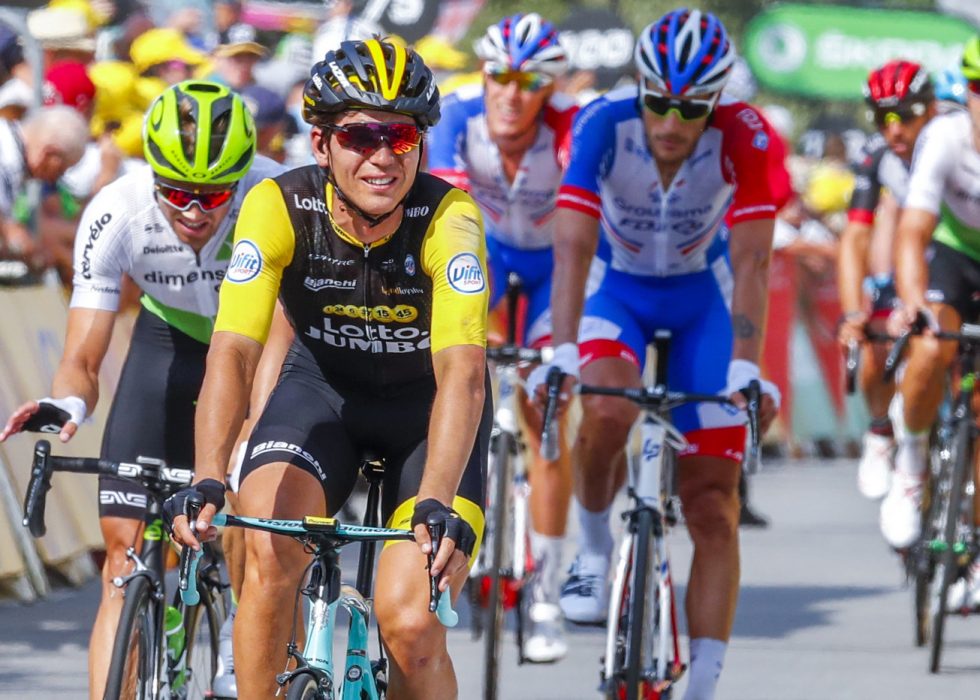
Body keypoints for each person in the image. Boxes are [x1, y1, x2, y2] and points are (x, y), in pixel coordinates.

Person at [165, 39, 491, 699]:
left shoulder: (449, 217)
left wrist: (434, 496)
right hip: (322, 400)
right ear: (320, 144)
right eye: (360, 136)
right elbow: (233, 348)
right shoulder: (279, 206)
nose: (381, 156)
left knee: (408, 619)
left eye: (400, 137)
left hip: (425, 417)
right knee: (269, 548)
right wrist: (206, 474)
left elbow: (463, 372)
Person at [0, 80, 283, 700]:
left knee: (247, 503)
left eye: (213, 194)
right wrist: (67, 401)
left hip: (265, 349)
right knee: (122, 556)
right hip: (171, 344)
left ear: (242, 174)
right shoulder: (116, 209)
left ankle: (243, 624)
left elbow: (291, 345)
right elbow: (82, 354)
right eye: (177, 191)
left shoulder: (279, 196)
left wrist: (245, 436)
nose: (194, 211)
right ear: (152, 174)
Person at [529, 11, 780, 700]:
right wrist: (560, 347)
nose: (671, 121)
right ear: (640, 88)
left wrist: (748, 364)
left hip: (705, 299)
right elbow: (573, 244)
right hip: (621, 291)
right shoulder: (602, 124)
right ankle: (593, 547)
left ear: (717, 99)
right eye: (658, 101)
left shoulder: (747, 135)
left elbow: (756, 258)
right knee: (606, 407)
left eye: (692, 106)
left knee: (711, 503)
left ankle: (701, 684)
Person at [426, 11, 576, 663]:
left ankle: (545, 584)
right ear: (483, 74)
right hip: (486, 258)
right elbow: (454, 230)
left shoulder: (572, 128)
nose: (511, 92)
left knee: (547, 408)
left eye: (528, 80)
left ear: (549, 87)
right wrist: (476, 337)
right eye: (500, 76)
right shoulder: (456, 117)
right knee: (466, 387)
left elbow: (580, 240)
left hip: (553, 268)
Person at [887, 38, 980, 590]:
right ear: (969, 91)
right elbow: (913, 229)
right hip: (953, 257)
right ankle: (912, 461)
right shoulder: (946, 137)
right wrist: (913, 301)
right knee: (930, 346)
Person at [837, 60, 936, 500]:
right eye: (882, 118)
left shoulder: (952, 144)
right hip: (907, 265)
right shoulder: (877, 156)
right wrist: (853, 313)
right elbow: (855, 236)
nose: (894, 129)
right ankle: (879, 431)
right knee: (874, 341)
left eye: (906, 115)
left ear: (930, 110)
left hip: (950, 261)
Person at [0, 106, 89, 269]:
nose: (57, 178)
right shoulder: (8, 160)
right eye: (62, 169)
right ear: (50, 154)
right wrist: (15, 237)